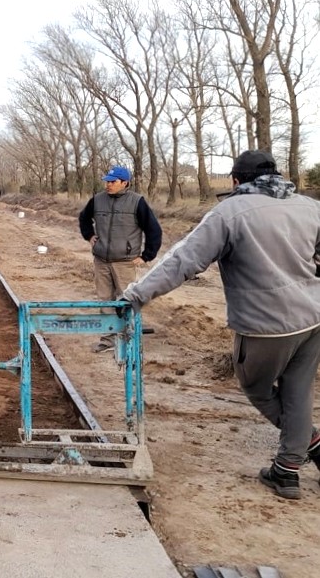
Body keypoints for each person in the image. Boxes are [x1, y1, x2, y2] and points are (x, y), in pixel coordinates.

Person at [122, 149, 320, 500]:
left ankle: (303, 448)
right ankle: (287, 470)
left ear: (235, 180)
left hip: (264, 325)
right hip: (312, 319)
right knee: (297, 392)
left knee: (256, 388)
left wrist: (137, 294)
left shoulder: (229, 212)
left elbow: (184, 261)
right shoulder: (308, 206)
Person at [78, 165, 162, 352]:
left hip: (125, 262)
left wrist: (146, 256)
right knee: (105, 301)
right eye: (107, 181)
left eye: (113, 182)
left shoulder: (137, 202)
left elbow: (153, 229)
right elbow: (84, 218)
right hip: (101, 261)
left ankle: (128, 340)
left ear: (125, 183)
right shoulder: (97, 200)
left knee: (127, 300)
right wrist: (89, 236)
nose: (108, 185)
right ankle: (107, 341)